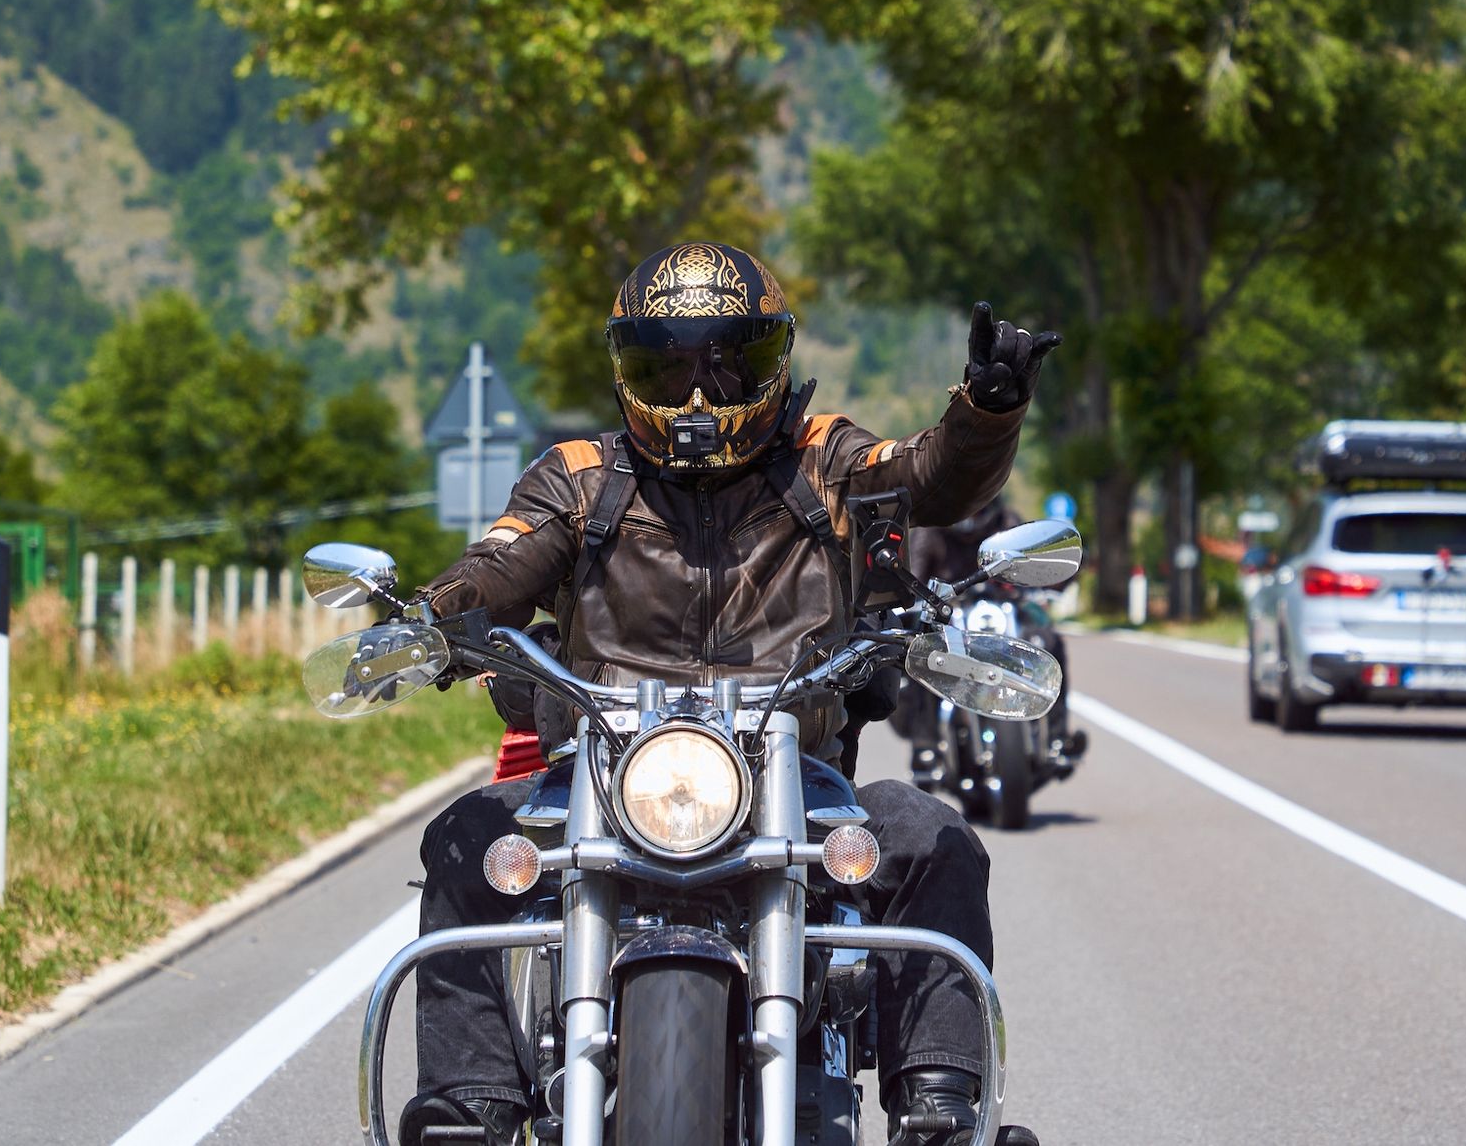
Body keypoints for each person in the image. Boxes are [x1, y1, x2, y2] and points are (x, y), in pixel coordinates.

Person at [400, 242, 1057, 1146]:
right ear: (627, 371)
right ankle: (468, 1105)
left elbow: (929, 474)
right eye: (668, 368)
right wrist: (429, 618)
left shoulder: (825, 461)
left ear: (772, 360)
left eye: (726, 363)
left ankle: (939, 1108)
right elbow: (498, 562)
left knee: (929, 835)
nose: (700, 395)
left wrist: (987, 410)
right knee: (467, 837)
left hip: (794, 778)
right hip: (604, 775)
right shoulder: (579, 476)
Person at [896, 498, 1082, 782]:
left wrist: (1042, 584)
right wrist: (911, 600)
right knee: (926, 653)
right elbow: (911, 579)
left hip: (1004, 609)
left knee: (1048, 640)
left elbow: (1032, 561)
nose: (972, 510)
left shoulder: (1006, 523)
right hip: (948, 617)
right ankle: (925, 747)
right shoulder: (931, 528)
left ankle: (1057, 739)